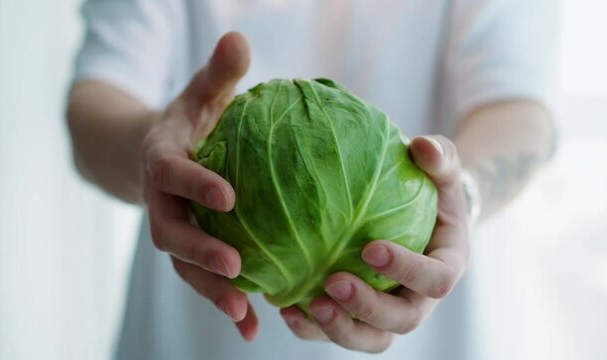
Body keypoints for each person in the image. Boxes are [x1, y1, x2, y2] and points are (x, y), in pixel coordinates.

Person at [66, 0, 556, 359]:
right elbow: (97, 99)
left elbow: (522, 110)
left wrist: (462, 195)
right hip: (192, 331)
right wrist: (156, 153)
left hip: (426, 330)